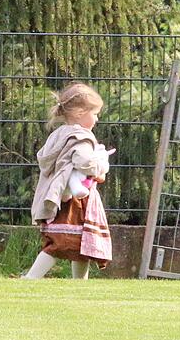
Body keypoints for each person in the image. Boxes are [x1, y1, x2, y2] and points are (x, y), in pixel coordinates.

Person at [22, 82, 114, 279]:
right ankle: (31, 278)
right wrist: (101, 163)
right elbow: (84, 162)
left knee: (81, 244)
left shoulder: (59, 134)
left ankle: (79, 284)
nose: (97, 119)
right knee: (61, 242)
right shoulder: (81, 137)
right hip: (75, 200)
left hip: (60, 194)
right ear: (80, 112)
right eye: (94, 113)